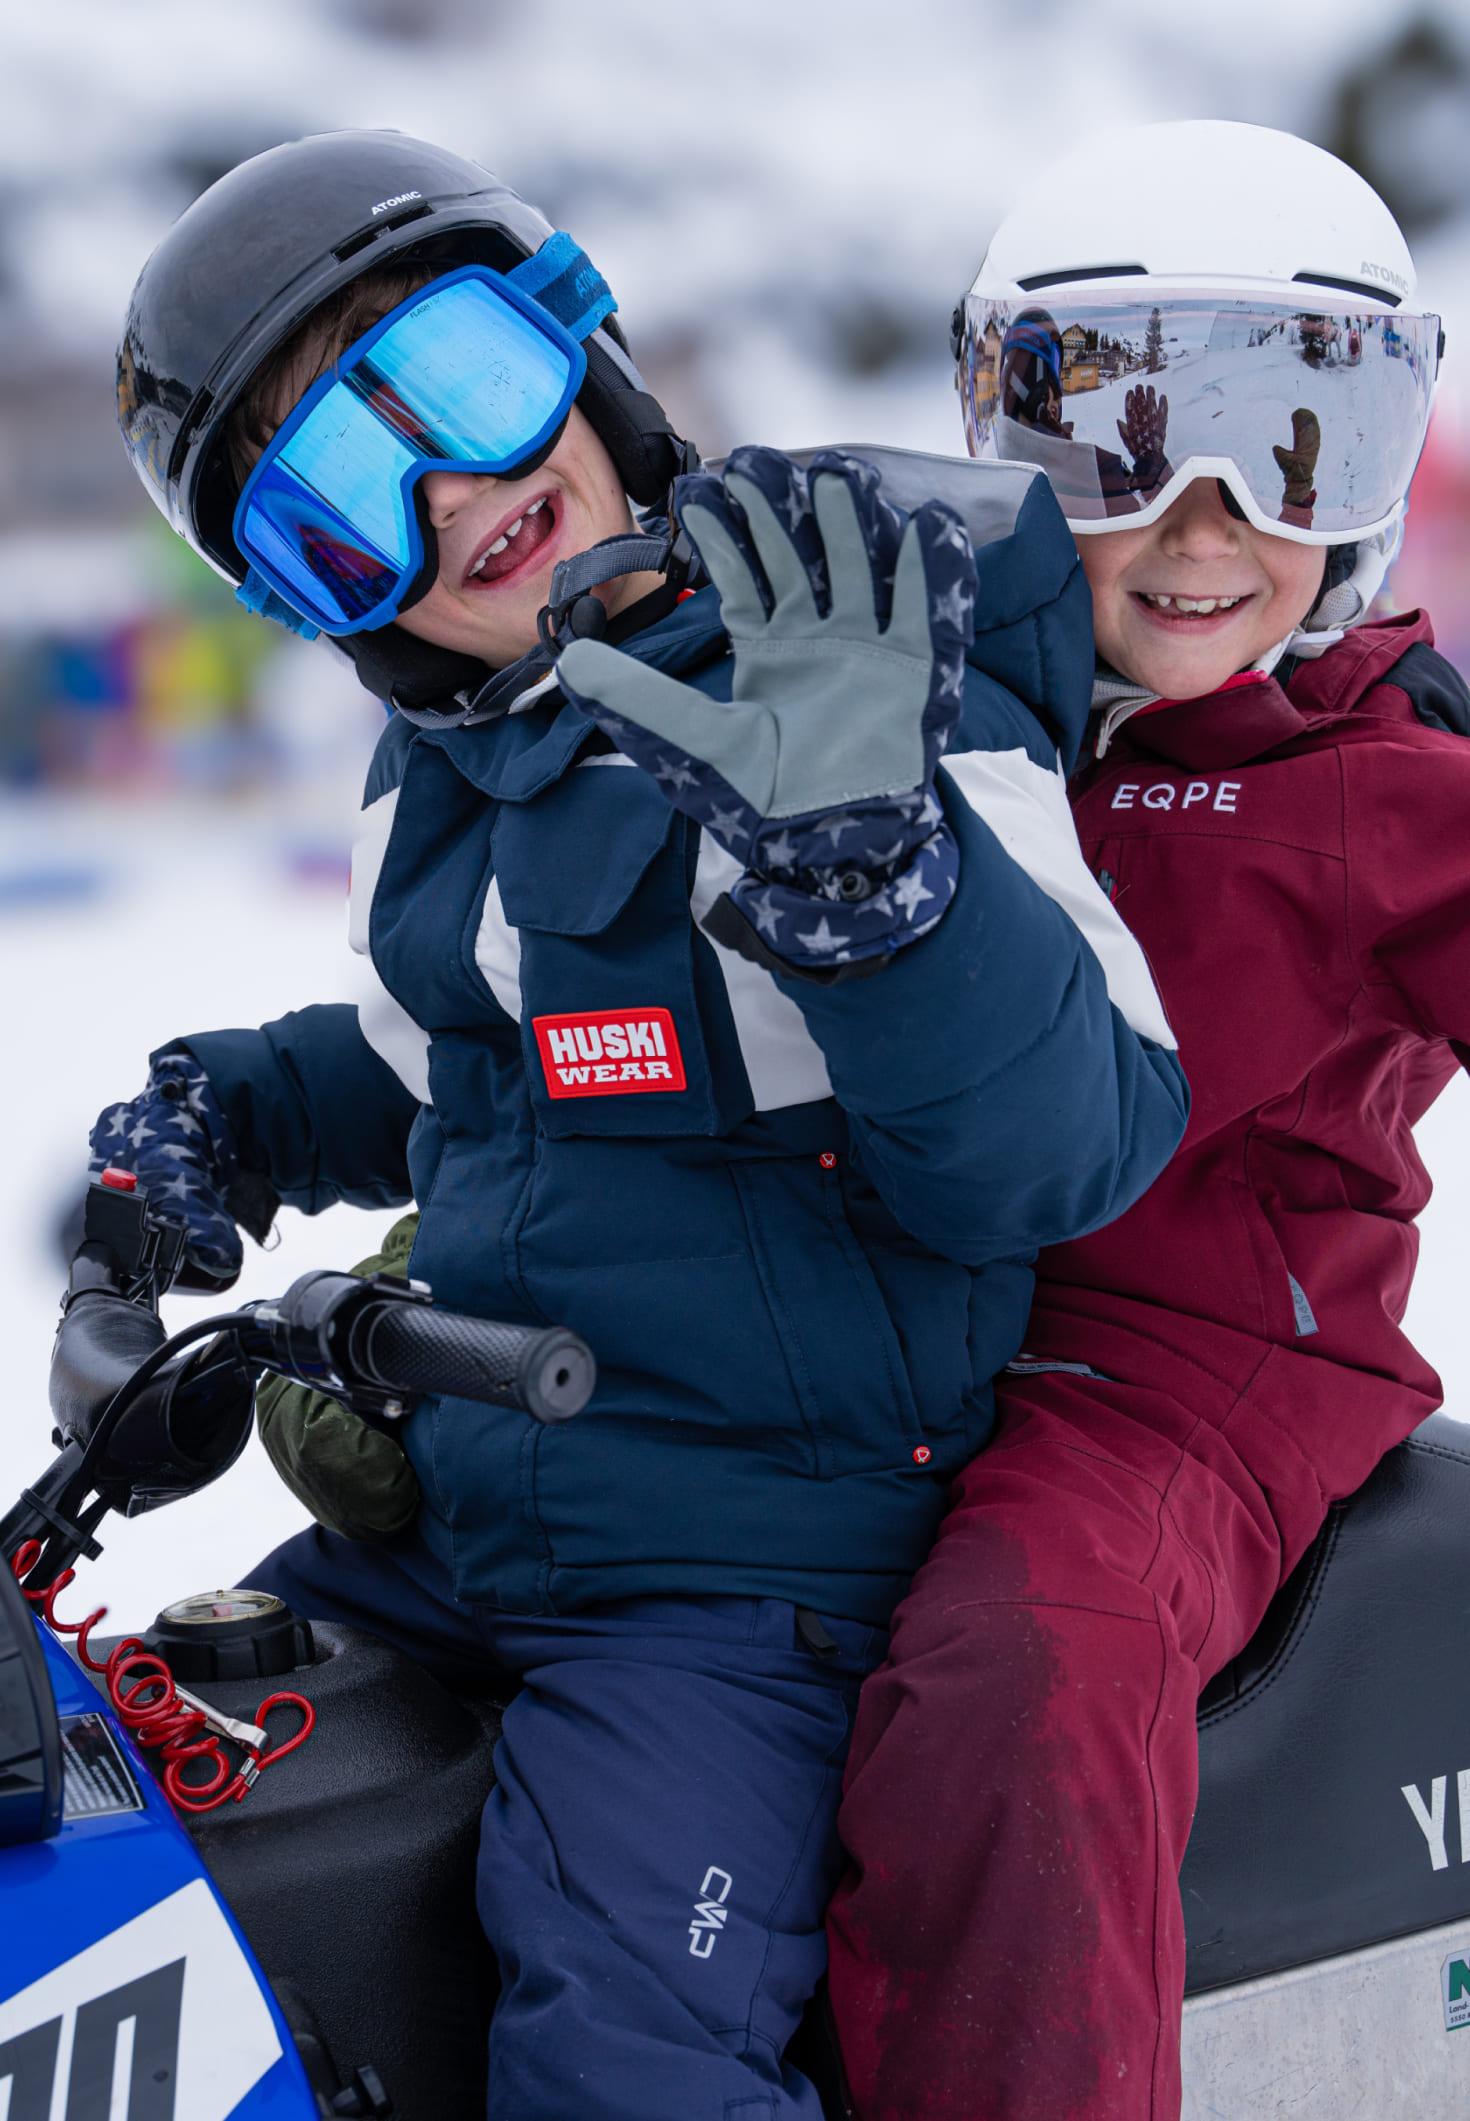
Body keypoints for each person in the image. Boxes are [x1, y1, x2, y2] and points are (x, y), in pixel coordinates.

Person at [91, 130, 1188, 2119]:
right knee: (155, 1848)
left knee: (620, 2047)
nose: (451, 498)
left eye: (467, 393)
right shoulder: (456, 774)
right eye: (344, 502)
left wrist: (887, 881)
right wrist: (234, 1116)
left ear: (577, 353)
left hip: (740, 1581)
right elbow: (446, 1058)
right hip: (473, 1527)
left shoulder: (847, 662)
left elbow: (1069, 1139)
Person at [826, 118, 1461, 2120]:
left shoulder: (1367, 777)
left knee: (1028, 1658)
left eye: (1289, 447)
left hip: (1180, 1378)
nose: (1198, 528)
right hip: (887, 1320)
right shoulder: (919, 715)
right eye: (1118, 441)